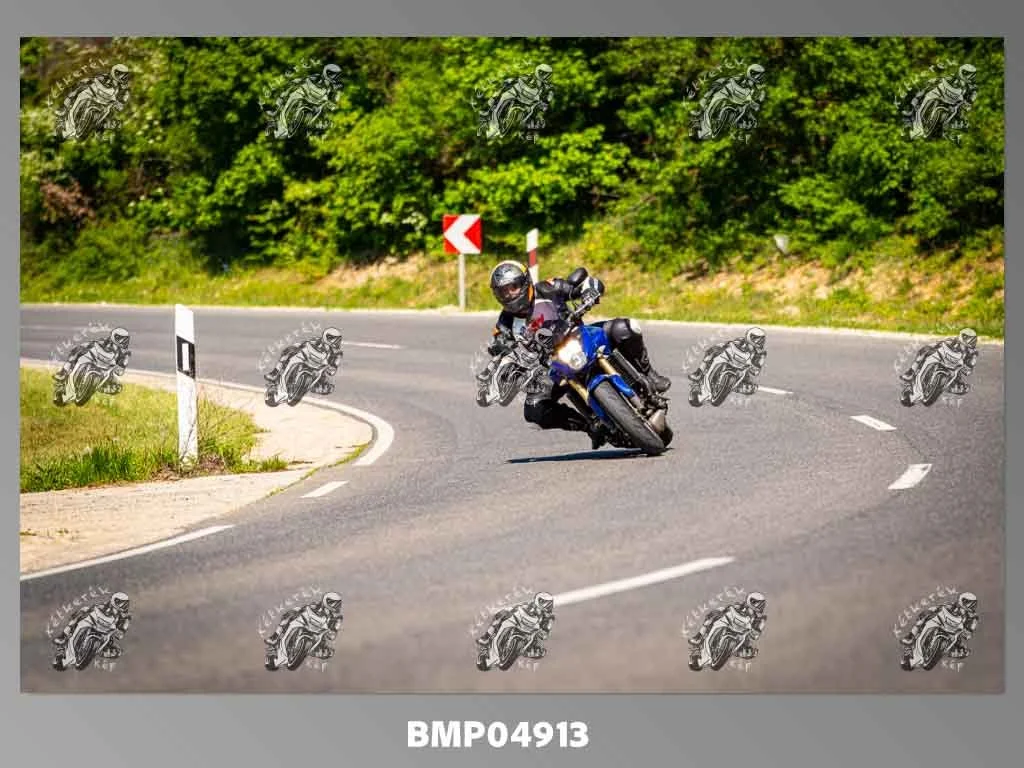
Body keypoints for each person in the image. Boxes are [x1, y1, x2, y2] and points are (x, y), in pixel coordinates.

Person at [485, 260, 671, 449]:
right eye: (503, 291)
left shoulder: (547, 288)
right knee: (534, 409)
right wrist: (504, 357)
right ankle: (589, 425)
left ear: (525, 282)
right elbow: (499, 346)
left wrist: (590, 291)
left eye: (513, 287)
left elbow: (580, 285)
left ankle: (649, 375)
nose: (509, 294)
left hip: (580, 336)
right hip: (551, 366)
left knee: (625, 328)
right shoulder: (505, 323)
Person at [52, 592, 132, 670]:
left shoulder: (125, 616)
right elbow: (93, 608)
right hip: (93, 623)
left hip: (107, 632)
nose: (122, 605)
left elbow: (122, 629)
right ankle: (64, 635)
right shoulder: (103, 605)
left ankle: (98, 652)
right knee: (83, 611)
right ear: (114, 600)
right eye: (120, 602)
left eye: (125, 604)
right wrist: (87, 612)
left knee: (117, 652)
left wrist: (120, 631)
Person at [265, 592, 344, 670]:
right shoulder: (314, 606)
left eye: (337, 604)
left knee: (328, 651)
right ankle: (275, 636)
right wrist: (297, 611)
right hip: (304, 623)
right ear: (326, 600)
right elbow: (302, 609)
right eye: (333, 602)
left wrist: (332, 631)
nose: (335, 605)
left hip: (317, 633)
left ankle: (310, 652)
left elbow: (332, 634)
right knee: (290, 614)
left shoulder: (336, 618)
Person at [900, 592, 979, 670]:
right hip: (940, 622)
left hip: (954, 631)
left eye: (973, 604)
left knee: (963, 650)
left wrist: (967, 632)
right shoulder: (951, 605)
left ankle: (949, 652)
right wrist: (929, 611)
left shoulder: (973, 616)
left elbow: (971, 628)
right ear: (962, 600)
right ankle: (911, 636)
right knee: (923, 618)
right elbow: (937, 607)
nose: (970, 605)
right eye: (968, 602)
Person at [688, 592, 767, 670]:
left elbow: (755, 635)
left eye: (761, 604)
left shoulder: (759, 619)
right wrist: (725, 610)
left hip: (742, 632)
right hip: (729, 623)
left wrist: (755, 631)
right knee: (714, 614)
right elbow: (728, 608)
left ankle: (699, 637)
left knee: (747, 648)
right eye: (757, 603)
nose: (758, 606)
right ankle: (699, 636)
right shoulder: (740, 606)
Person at [476, 592, 555, 665]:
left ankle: (529, 650)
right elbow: (514, 608)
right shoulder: (528, 605)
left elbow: (546, 631)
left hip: (532, 631)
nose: (547, 605)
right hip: (519, 623)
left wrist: (544, 632)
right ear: (538, 600)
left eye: (549, 603)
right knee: (500, 616)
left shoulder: (549, 617)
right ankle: (487, 637)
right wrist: (506, 612)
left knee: (540, 647)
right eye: (545, 602)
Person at [688, 327, 767, 397]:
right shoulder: (741, 340)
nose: (759, 341)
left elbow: (757, 368)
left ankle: (733, 387)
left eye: (761, 339)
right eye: (756, 338)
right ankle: (699, 372)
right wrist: (720, 347)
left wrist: (754, 368)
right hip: (731, 360)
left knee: (752, 388)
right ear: (750, 336)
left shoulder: (761, 353)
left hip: (743, 369)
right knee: (713, 351)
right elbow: (728, 344)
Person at [900, 328, 978, 398]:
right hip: (942, 359)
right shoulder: (951, 340)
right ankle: (911, 372)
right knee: (924, 350)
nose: (970, 342)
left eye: (973, 340)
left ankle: (951, 385)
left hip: (954, 368)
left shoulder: (973, 353)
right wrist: (930, 348)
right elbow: (936, 344)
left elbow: (970, 367)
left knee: (962, 386)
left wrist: (967, 368)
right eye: (968, 339)